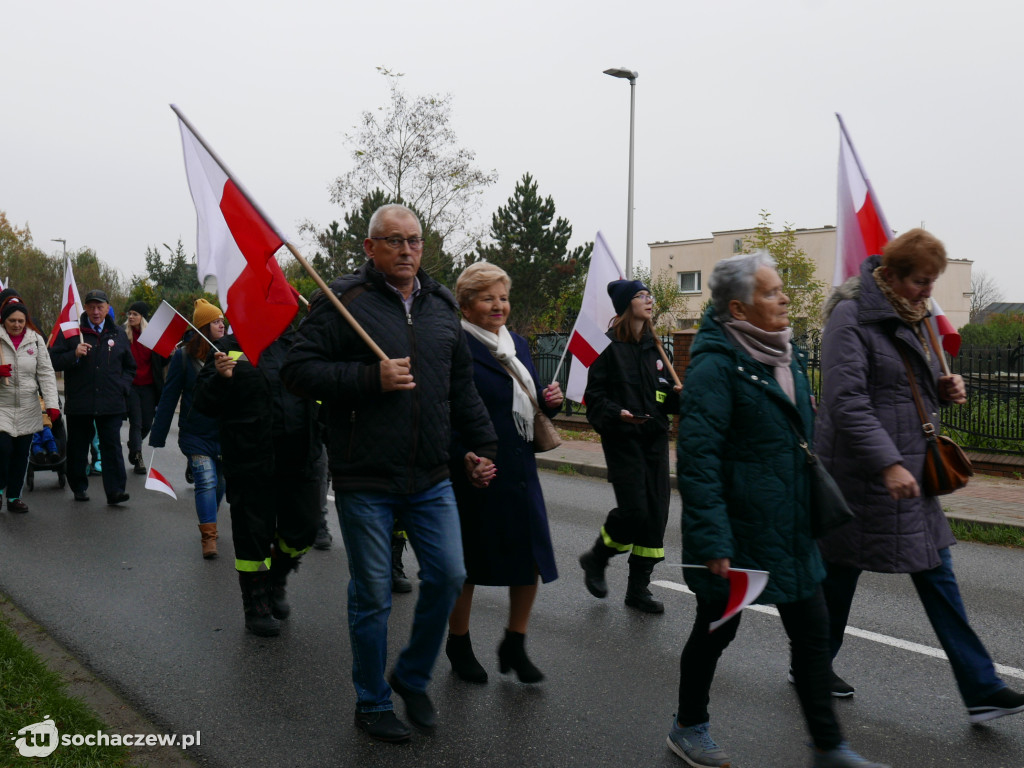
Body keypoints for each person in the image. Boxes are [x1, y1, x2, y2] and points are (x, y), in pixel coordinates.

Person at [281, 203, 497, 744]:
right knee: (373, 593)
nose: (406, 251)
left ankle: (412, 675)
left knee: (448, 576)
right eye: (394, 241)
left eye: (415, 241)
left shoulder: (442, 305)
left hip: (431, 474)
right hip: (365, 476)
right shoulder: (341, 302)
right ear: (369, 247)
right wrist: (368, 377)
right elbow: (298, 370)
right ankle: (372, 701)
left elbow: (460, 387)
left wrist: (479, 446)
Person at [670, 251, 887, 768]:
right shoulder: (715, 368)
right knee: (716, 632)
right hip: (739, 533)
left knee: (812, 635)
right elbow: (698, 461)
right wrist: (714, 539)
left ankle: (829, 747)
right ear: (740, 311)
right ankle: (688, 726)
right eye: (770, 292)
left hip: (790, 527)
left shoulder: (784, 355)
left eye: (780, 288)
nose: (785, 297)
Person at [816, 228, 1024, 724]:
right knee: (841, 575)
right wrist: (886, 462)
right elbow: (847, 401)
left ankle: (981, 687)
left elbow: (907, 384)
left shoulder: (918, 317)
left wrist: (944, 386)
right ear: (889, 275)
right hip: (861, 474)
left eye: (933, 281)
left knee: (934, 575)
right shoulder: (850, 318)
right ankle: (814, 665)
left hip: (911, 472)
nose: (928, 290)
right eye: (919, 281)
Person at [444, 262, 562, 685]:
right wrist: (463, 457)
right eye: (488, 297)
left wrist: (551, 402)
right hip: (477, 469)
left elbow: (527, 406)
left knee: (528, 557)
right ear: (466, 303)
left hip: (519, 467)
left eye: (504, 297)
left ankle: (515, 642)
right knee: (469, 564)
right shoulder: (453, 344)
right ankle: (458, 643)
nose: (499, 305)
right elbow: (444, 414)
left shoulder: (519, 345)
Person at [194, 328, 321, 637]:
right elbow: (203, 403)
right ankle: (256, 604)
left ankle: (277, 577)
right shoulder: (226, 347)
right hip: (250, 458)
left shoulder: (299, 344)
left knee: (304, 527)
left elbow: (319, 392)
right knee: (253, 533)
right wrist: (219, 378)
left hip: (299, 457)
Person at [578, 279, 680, 613]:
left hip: (654, 440)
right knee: (634, 510)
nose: (649, 299)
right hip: (623, 441)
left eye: (650, 294)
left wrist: (681, 398)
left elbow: (662, 397)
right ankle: (597, 557)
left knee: (655, 516)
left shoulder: (656, 348)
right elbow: (593, 400)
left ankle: (638, 589)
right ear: (626, 305)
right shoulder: (607, 349)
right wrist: (616, 413)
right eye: (641, 295)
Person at [149, 299, 226, 559]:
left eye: (222, 320)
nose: (222, 324)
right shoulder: (183, 357)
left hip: (225, 433)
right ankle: (209, 537)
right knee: (206, 481)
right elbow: (169, 397)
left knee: (220, 485)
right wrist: (158, 436)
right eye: (216, 321)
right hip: (195, 434)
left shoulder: (229, 352)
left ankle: (210, 519)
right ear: (204, 326)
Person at [49, 289, 135, 505]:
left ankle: (115, 491)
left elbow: (130, 367)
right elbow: (52, 361)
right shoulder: (70, 332)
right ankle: (78, 486)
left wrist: (122, 387)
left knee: (112, 447)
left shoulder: (118, 333)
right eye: (92, 307)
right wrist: (73, 355)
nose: (96, 312)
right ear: (85, 308)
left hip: (111, 402)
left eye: (100, 307)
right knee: (78, 446)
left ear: (107, 307)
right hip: (81, 401)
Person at [0, 297, 60, 513]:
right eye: (12, 320)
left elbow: (45, 373)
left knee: (21, 454)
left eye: (21, 321)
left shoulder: (35, 340)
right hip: (2, 406)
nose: (17, 325)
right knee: (3, 449)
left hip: (28, 406)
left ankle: (14, 497)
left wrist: (52, 405)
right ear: (4, 320)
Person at [124, 301, 165, 476]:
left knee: (147, 424)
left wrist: (170, 355)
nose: (131, 317)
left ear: (142, 317)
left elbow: (159, 362)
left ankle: (134, 445)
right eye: (130, 313)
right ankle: (138, 458)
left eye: (135, 314)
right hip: (131, 385)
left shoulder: (152, 337)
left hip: (149, 386)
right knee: (136, 422)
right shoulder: (123, 335)